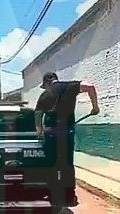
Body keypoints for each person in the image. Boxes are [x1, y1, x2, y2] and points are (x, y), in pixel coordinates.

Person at [34, 72, 100, 206]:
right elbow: (91, 87)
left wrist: (40, 132)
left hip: (51, 132)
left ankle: (53, 196)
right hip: (66, 131)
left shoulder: (44, 95)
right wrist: (95, 106)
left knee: (51, 164)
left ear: (47, 82)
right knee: (67, 164)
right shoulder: (69, 86)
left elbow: (38, 115)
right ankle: (69, 196)